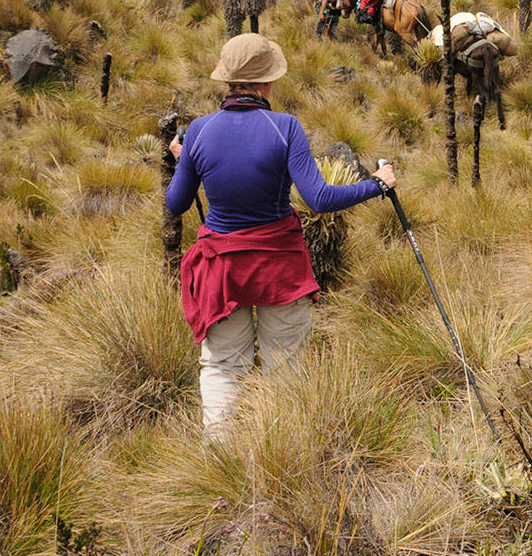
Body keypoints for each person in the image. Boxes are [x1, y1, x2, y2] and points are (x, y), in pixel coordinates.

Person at [165, 32, 396, 431]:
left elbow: (176, 203)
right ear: (267, 82)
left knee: (222, 368)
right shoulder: (284, 127)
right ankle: (282, 449)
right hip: (279, 269)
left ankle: (219, 459)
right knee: (284, 364)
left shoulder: (200, 131)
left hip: (221, 273)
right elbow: (319, 198)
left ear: (228, 80)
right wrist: (376, 183)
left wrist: (185, 161)